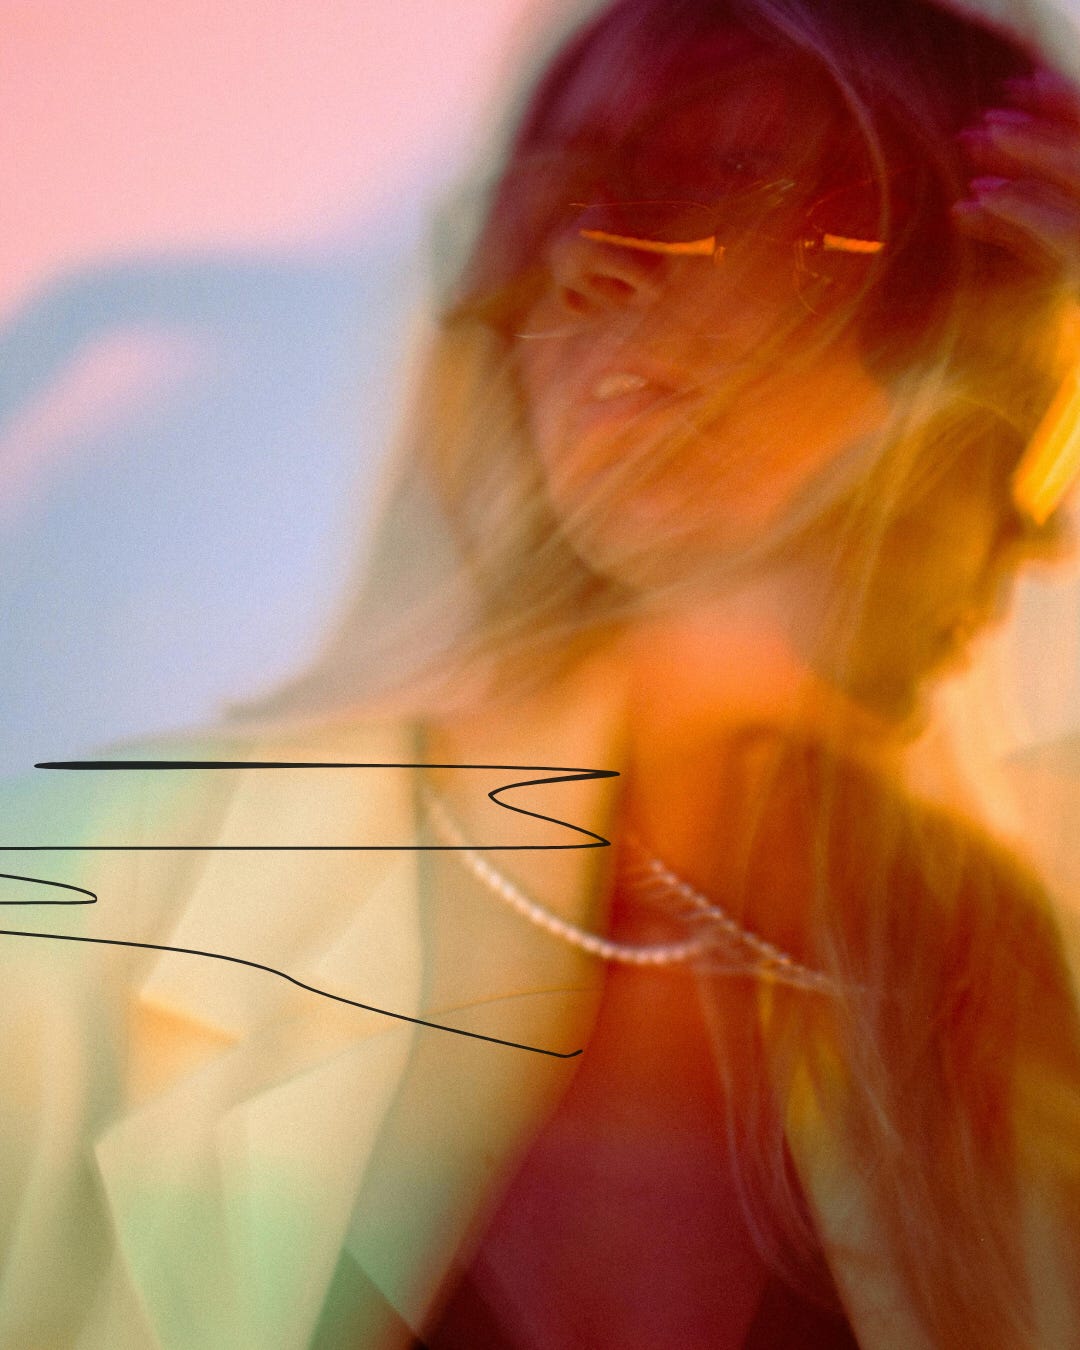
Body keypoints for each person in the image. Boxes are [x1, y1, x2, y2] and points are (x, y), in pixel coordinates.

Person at [2, 0, 1080, 1346]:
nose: (594, 263)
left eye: (717, 187)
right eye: (557, 204)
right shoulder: (106, 902)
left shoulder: (996, 993)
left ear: (980, 312)